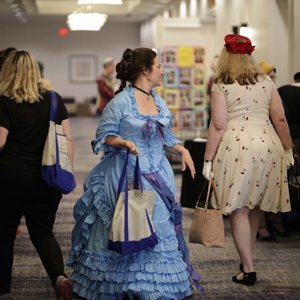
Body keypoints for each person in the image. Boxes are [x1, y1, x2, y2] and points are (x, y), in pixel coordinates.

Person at [67, 47, 202, 299]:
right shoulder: (120, 102)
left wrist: (182, 149)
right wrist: (123, 143)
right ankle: (124, 285)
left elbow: (167, 137)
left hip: (158, 175)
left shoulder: (158, 102)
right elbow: (103, 138)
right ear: (145, 70)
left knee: (158, 228)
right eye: (159, 66)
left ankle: (151, 286)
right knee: (125, 226)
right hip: (126, 175)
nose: (162, 70)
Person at [202, 34, 294, 286]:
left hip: (237, 147)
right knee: (254, 207)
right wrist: (287, 149)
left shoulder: (221, 83)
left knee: (237, 208)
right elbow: (280, 118)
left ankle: (249, 268)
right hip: (268, 146)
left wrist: (208, 159)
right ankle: (246, 262)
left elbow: (219, 125)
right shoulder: (266, 81)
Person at [0, 50, 74, 300]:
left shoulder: (4, 100)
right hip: (46, 178)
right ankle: (59, 277)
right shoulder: (54, 99)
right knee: (42, 232)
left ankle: (4, 291)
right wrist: (66, 172)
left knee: (5, 233)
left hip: (9, 178)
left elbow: (0, 141)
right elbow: (67, 140)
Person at [257, 61, 290, 239]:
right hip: (267, 143)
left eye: (274, 76)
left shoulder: (276, 93)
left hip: (277, 142)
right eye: (270, 75)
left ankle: (276, 222)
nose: (273, 79)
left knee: (277, 185)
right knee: (262, 186)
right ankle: (262, 226)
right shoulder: (262, 93)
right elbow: (278, 119)